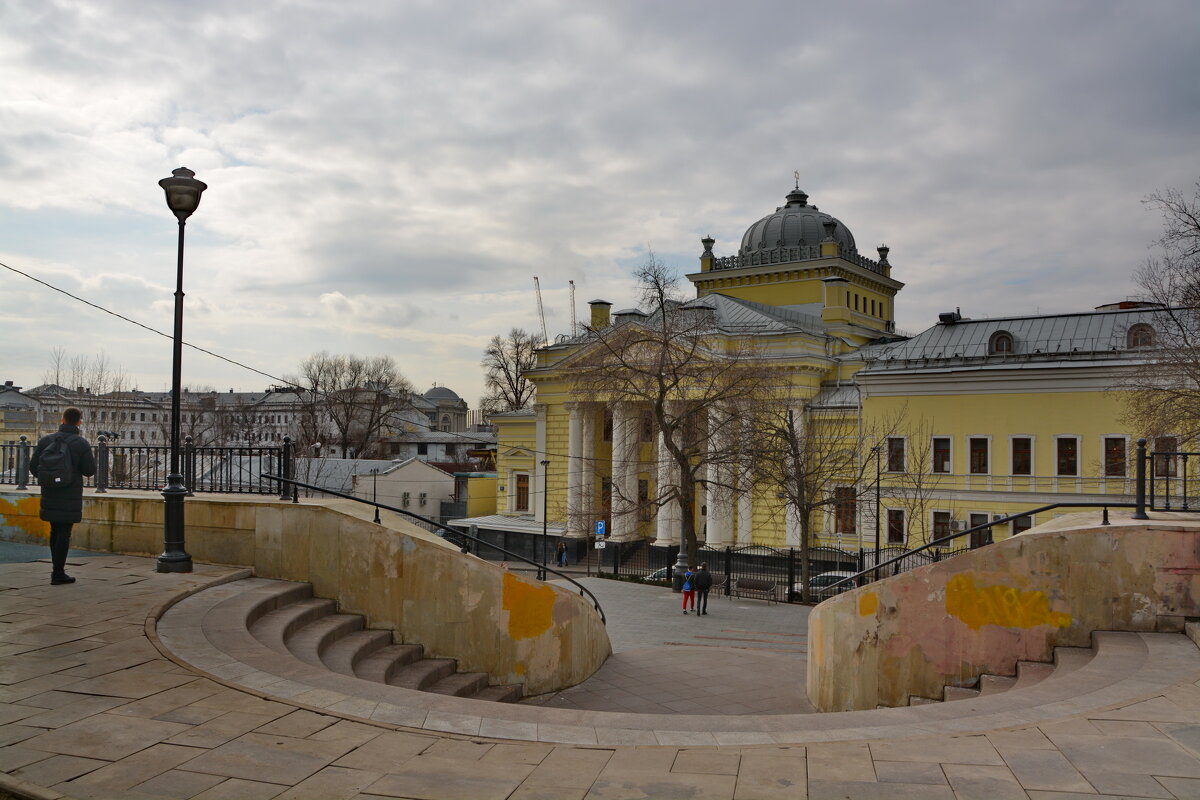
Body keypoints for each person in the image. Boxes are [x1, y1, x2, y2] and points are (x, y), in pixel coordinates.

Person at [29, 407, 95, 585]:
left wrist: (51, 479)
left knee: (54, 530)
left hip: (50, 492)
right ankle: (58, 573)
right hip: (70, 493)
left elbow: (34, 467)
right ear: (79, 422)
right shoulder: (81, 444)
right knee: (64, 532)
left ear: (62, 420)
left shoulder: (46, 441)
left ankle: (56, 570)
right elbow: (90, 471)